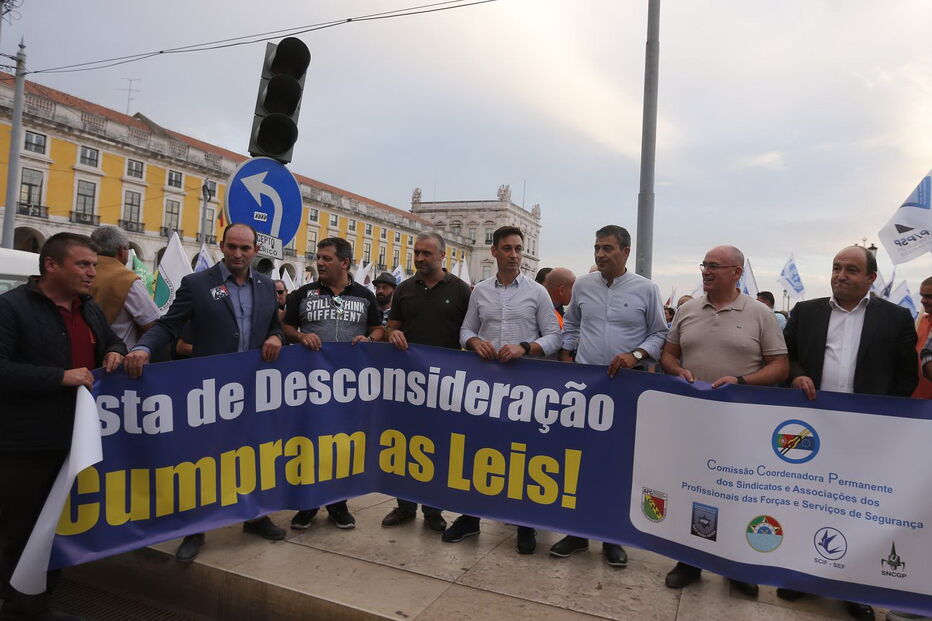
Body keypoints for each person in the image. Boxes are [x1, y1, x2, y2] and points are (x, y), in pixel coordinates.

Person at [125, 223, 286, 563]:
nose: (238, 254)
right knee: (201, 460)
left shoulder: (267, 286)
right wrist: (143, 349)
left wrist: (276, 337)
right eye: (232, 247)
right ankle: (194, 528)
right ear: (221, 246)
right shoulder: (197, 284)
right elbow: (169, 325)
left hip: (253, 391)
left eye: (245, 248)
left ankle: (253, 517)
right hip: (209, 392)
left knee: (251, 456)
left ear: (256, 250)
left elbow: (273, 324)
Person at [781, 245, 916, 621]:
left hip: (865, 434)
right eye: (837, 267)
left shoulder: (896, 318)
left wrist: (880, 415)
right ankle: (802, 575)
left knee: (852, 508)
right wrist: (796, 374)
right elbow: (784, 355)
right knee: (807, 500)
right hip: (811, 429)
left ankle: (851, 587)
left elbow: (907, 375)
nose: (841, 275)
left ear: (871, 278)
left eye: (852, 269)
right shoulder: (806, 312)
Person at [0, 233, 125, 619]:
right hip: (23, 445)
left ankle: (36, 605)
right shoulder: (11, 308)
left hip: (73, 441)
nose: (92, 272)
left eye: (93, 264)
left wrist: (116, 353)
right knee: (15, 531)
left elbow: (110, 343)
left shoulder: (88, 309)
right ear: (51, 265)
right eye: (83, 264)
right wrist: (59, 377)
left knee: (54, 530)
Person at [661, 244, 788, 597]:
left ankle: (736, 565)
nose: (706, 271)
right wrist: (677, 369)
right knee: (690, 488)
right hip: (693, 420)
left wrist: (743, 382)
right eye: (704, 265)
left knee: (735, 493)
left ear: (737, 272)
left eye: (714, 266)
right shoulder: (686, 310)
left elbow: (780, 365)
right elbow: (668, 354)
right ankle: (688, 560)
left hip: (741, 424)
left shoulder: (759, 314)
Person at [553, 225, 668, 568]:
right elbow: (570, 326)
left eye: (607, 248)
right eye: (596, 248)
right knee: (582, 462)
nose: (600, 254)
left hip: (625, 391)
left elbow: (659, 334)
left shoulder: (647, 290)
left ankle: (612, 538)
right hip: (586, 392)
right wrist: (567, 358)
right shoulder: (583, 286)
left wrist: (634, 356)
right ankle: (577, 533)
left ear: (626, 251)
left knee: (617, 465)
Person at [446, 226, 561, 553]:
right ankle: (469, 519)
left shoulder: (538, 292)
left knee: (522, 455)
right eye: (507, 249)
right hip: (485, 387)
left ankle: (525, 525)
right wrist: (474, 341)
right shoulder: (480, 291)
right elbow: (466, 328)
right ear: (494, 251)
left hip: (525, 388)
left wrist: (525, 347)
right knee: (478, 453)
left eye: (518, 249)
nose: (514, 255)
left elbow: (554, 336)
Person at [284, 237, 385, 531]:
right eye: (318, 257)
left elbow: (378, 329)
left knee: (341, 445)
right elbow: (287, 326)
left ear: (344, 263)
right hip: (309, 386)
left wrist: (368, 340)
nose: (320, 263)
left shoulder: (365, 296)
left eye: (327, 258)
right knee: (309, 442)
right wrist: (301, 337)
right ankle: (308, 503)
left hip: (347, 388)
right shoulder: (303, 294)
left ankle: (338, 503)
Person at [381, 231, 471, 532]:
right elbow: (393, 326)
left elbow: (469, 333)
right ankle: (404, 507)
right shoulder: (405, 289)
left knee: (438, 450)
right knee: (403, 446)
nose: (419, 258)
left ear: (442, 256)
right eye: (416, 252)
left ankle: (434, 511)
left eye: (426, 254)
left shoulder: (461, 291)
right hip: (407, 385)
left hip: (445, 387)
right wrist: (393, 333)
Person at [89, 225, 161, 350]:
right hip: (117, 358)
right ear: (121, 250)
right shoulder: (127, 279)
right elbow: (153, 324)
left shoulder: (81, 272)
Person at [912, 277, 932, 398]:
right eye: (922, 296)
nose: (923, 301)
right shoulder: (920, 323)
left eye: (929, 297)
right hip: (916, 402)